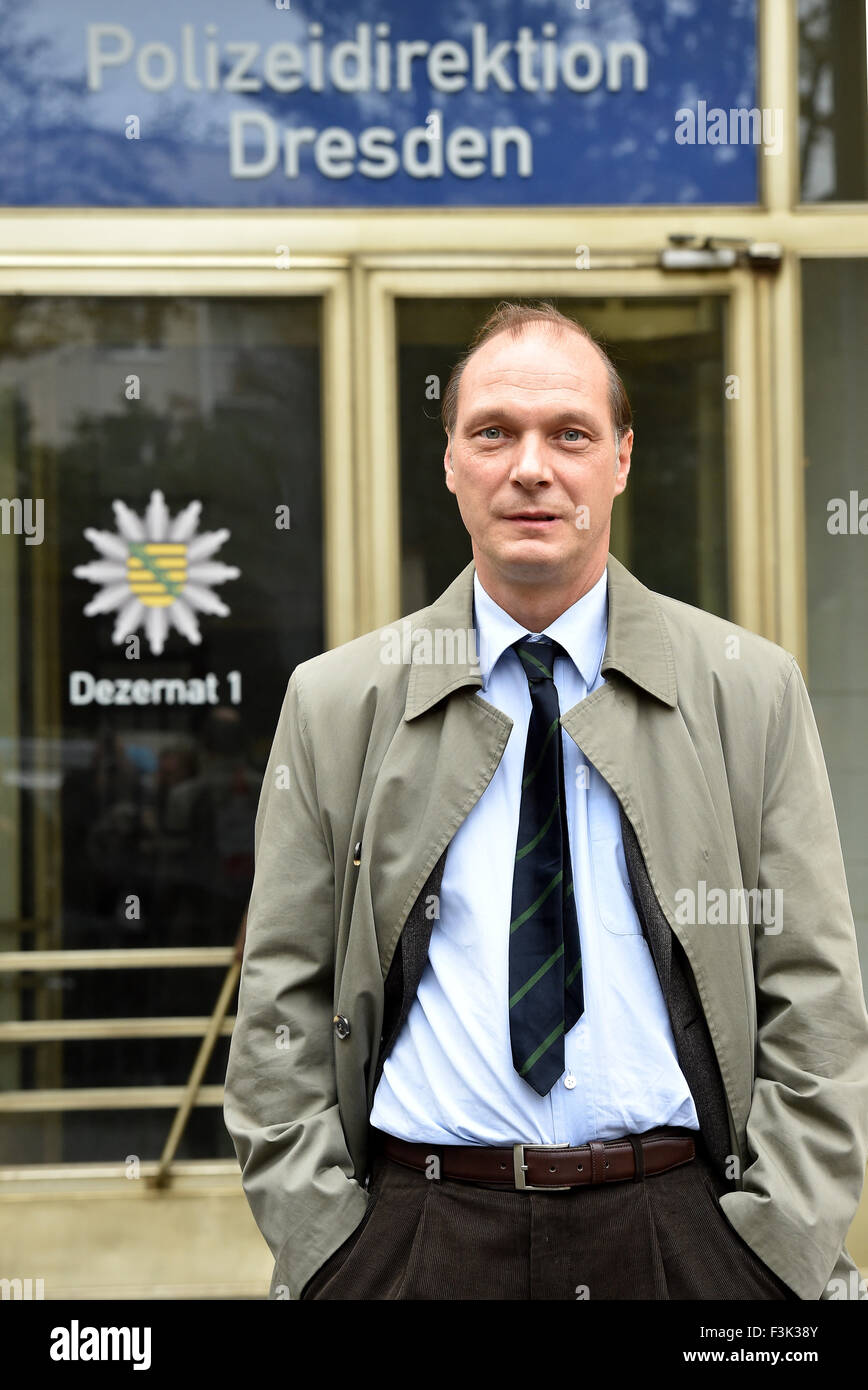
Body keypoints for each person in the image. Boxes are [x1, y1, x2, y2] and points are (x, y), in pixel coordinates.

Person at [224, 300, 868, 1300]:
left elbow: (813, 993)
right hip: (418, 1237)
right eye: (494, 433)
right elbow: (282, 997)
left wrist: (770, 1251)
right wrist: (331, 1254)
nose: (531, 467)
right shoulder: (337, 700)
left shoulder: (748, 688)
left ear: (620, 459)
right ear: (450, 461)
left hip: (683, 1236)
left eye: (569, 433)